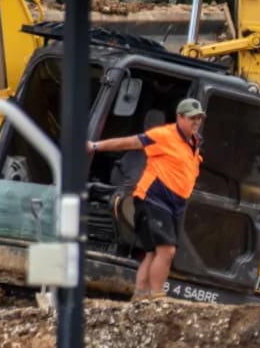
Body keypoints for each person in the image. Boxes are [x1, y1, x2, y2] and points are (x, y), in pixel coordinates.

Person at [87, 97, 206, 300]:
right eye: (192, 118)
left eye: (199, 118)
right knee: (166, 251)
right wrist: (95, 146)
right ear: (179, 117)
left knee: (152, 253)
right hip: (153, 199)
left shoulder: (194, 143)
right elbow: (129, 142)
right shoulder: (163, 135)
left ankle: (140, 295)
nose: (196, 122)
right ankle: (156, 295)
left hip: (174, 204)